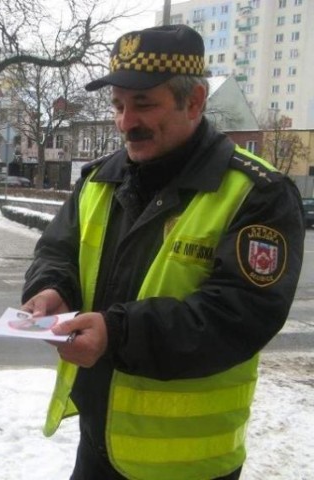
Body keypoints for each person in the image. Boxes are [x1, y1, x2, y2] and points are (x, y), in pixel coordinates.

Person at [21, 24, 305, 480]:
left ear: (194, 101)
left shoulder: (258, 193)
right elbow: (57, 249)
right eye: (118, 106)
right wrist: (53, 286)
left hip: (189, 464)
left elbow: (240, 315)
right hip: (99, 444)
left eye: (144, 104)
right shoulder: (100, 179)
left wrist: (117, 333)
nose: (125, 122)